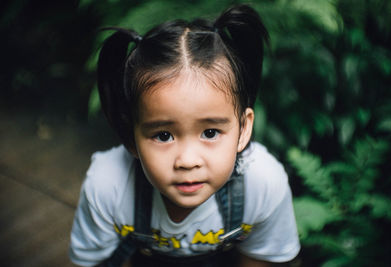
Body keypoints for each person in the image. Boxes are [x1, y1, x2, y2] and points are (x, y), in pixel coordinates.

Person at [69, 4, 300, 267]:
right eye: (164, 135)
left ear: (243, 129)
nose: (188, 161)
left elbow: (260, 260)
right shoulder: (108, 186)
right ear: (130, 136)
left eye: (210, 132)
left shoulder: (263, 184)